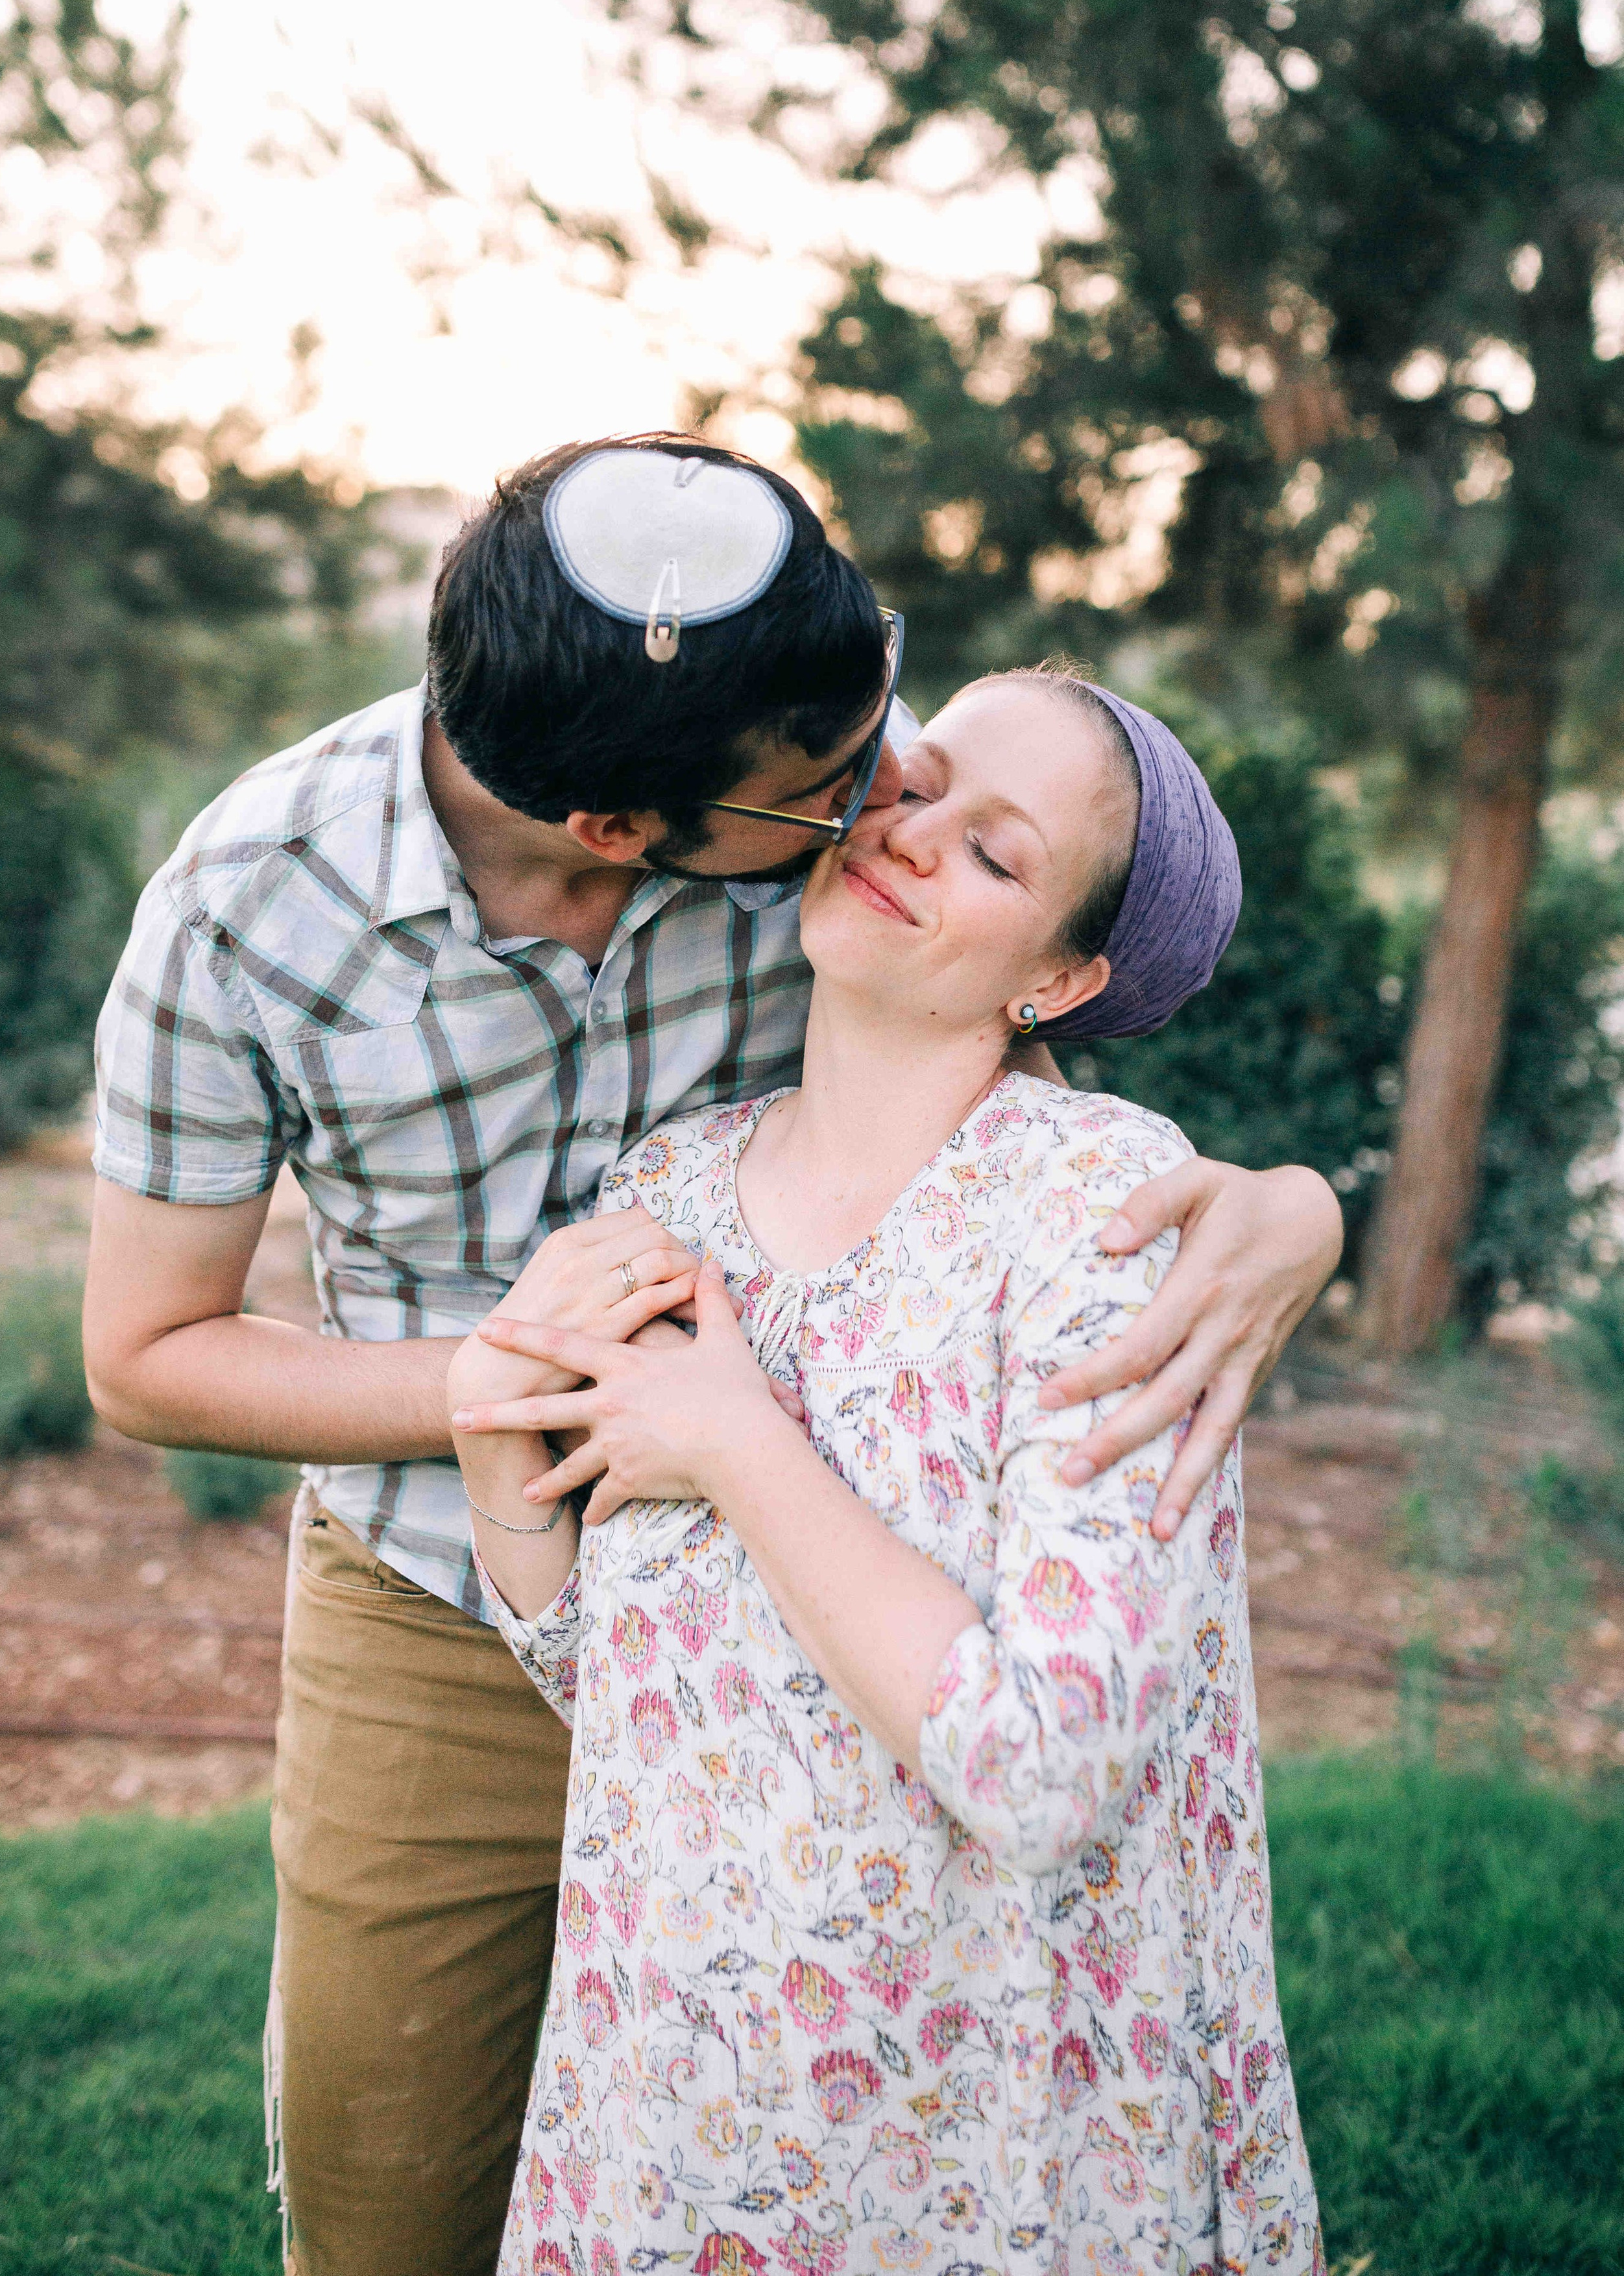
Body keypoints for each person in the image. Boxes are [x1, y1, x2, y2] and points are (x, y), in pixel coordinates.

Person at [81, 435, 1339, 2276]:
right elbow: (145, 1354)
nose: (890, 795)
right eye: (846, 789)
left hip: (843, 1669)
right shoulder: (250, 912)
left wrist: (1293, 1207)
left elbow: (1030, 1036)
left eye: (903, 755)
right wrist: (525, 1384)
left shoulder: (807, 773)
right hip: (447, 1604)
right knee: (393, 2205)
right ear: (625, 829)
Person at [453, 665, 1322, 2275]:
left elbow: (1044, 1767)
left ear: (1058, 978)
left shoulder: (1099, 1217)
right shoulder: (671, 1184)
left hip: (958, 2105)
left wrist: (728, 1437)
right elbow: (627, 1692)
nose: (906, 839)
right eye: (915, 788)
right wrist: (490, 1438)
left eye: (995, 857)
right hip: (674, 2088)